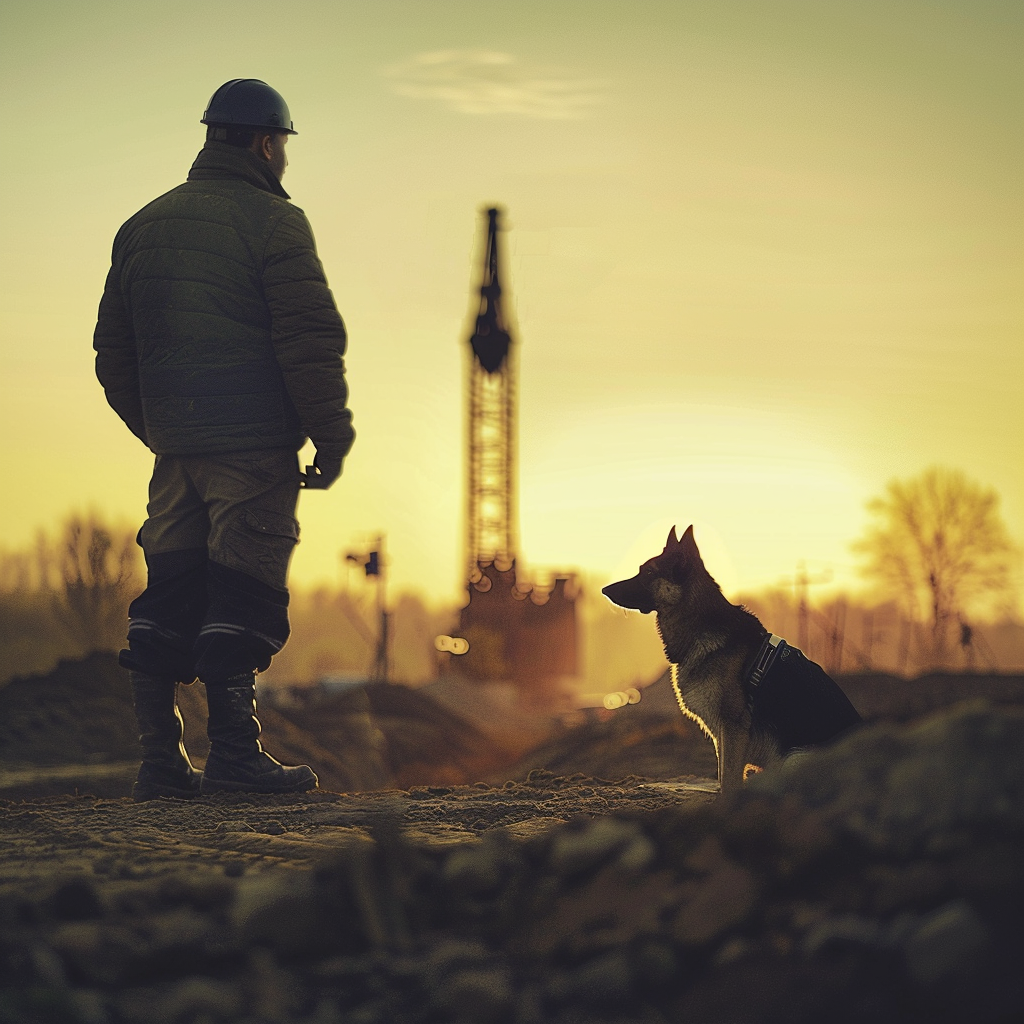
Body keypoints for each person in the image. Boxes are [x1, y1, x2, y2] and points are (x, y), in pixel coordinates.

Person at [94, 79, 354, 799]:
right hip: (254, 451)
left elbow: (111, 354)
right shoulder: (275, 223)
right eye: (284, 148)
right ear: (267, 144)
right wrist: (328, 439)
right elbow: (308, 342)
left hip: (175, 453)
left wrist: (166, 430)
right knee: (242, 590)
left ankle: (160, 763)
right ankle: (236, 756)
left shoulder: (140, 225)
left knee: (170, 593)